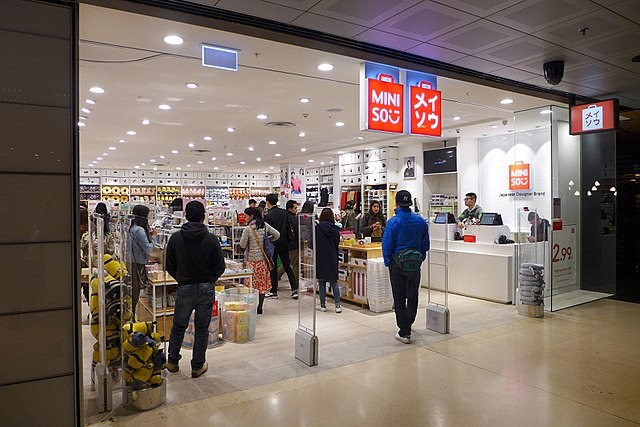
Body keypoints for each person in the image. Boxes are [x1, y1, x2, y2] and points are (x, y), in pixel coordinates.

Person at [165, 201, 226, 378]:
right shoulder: (211, 239)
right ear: (203, 216)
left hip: (184, 287)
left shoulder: (175, 238)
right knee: (201, 328)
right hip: (206, 287)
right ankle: (197, 366)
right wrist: (210, 279)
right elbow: (220, 266)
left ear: (185, 215)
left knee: (178, 325)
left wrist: (182, 279)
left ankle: (172, 361)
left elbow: (169, 265)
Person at [382, 190, 430, 344]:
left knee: (400, 297)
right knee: (413, 294)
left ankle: (404, 331)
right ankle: (409, 321)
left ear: (396, 203)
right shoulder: (421, 221)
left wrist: (388, 261)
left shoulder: (393, 222)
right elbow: (425, 245)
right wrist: (420, 257)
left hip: (397, 264)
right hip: (415, 264)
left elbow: (387, 244)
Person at [239, 207, 280, 314]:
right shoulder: (265, 226)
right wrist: (267, 239)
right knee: (262, 286)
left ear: (251, 216)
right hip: (262, 261)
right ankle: (260, 307)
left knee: (249, 286)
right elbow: (277, 234)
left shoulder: (248, 229)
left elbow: (242, 244)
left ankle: (249, 307)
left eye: (246, 216)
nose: (245, 218)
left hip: (251, 262)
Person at [264, 193, 299, 299]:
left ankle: (274, 291)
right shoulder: (284, 213)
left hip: (273, 245)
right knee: (288, 266)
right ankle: (294, 289)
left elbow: (267, 233)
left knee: (273, 268)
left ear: (268, 202)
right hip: (285, 243)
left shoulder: (268, 216)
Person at [128, 204, 158, 317]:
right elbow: (148, 249)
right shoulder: (139, 230)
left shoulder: (132, 228)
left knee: (133, 292)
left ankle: (131, 316)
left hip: (132, 261)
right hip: (137, 263)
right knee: (135, 292)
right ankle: (131, 318)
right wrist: (154, 236)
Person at [315, 208, 342, 313]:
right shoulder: (335, 229)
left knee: (321, 282)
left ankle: (323, 305)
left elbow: (313, 243)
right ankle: (338, 306)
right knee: (334, 282)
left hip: (321, 257)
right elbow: (337, 243)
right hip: (332, 256)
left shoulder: (318, 228)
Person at [276, 200, 300, 284]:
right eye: (295, 208)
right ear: (290, 209)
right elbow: (297, 233)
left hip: (284, 244)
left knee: (286, 263)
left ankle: (276, 277)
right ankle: (295, 283)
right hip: (293, 245)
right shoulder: (294, 219)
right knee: (295, 265)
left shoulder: (282, 217)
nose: (296, 210)